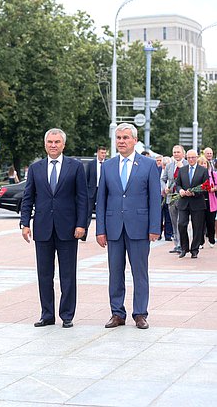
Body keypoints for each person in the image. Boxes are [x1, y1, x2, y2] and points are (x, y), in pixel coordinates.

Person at [20, 128, 88, 329]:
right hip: (42, 229)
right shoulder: (36, 168)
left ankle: (67, 315)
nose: (53, 145)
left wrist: (81, 224)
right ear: (45, 144)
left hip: (68, 229)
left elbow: (82, 198)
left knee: (68, 274)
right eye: (50, 141)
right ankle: (47, 314)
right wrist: (25, 223)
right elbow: (28, 197)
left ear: (63, 145)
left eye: (57, 142)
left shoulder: (75, 167)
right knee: (44, 274)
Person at [96, 123, 161, 330]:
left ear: (134, 140)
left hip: (140, 228)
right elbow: (101, 199)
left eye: (125, 138)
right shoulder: (107, 166)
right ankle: (117, 313)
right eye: (118, 138)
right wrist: (100, 229)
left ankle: (140, 313)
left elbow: (154, 198)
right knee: (115, 273)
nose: (121, 141)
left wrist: (154, 227)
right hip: (114, 227)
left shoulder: (149, 165)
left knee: (140, 272)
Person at [175, 150, 208, 258]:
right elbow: (178, 184)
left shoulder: (203, 170)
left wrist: (194, 192)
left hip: (197, 202)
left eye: (193, 157)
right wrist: (180, 191)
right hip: (184, 202)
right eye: (189, 158)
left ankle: (195, 249)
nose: (191, 160)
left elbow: (205, 186)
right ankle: (184, 248)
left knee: (197, 227)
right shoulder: (182, 170)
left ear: (197, 157)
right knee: (181, 224)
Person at [162, 145, 187, 254]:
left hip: (183, 197)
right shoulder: (169, 166)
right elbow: (163, 179)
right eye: (174, 152)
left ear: (183, 153)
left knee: (181, 222)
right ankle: (177, 244)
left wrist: (181, 168)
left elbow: (188, 178)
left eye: (178, 152)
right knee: (173, 222)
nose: (176, 154)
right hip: (171, 197)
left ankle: (183, 244)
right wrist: (165, 188)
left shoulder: (187, 164)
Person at [83, 146, 107, 241]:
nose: (103, 155)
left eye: (105, 153)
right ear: (98, 153)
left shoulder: (108, 164)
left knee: (103, 213)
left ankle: (104, 233)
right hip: (92, 191)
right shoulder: (91, 164)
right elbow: (86, 178)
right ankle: (84, 233)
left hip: (103, 191)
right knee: (87, 213)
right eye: (102, 153)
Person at [155, 155, 173, 241]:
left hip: (169, 195)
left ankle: (168, 234)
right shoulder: (156, 170)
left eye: (167, 165)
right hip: (159, 196)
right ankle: (158, 234)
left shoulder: (171, 171)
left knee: (168, 216)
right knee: (159, 216)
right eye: (164, 164)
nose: (165, 166)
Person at [202, 148, 216, 247]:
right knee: (200, 222)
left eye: (204, 164)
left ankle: (211, 239)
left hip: (211, 200)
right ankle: (200, 241)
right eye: (201, 164)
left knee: (210, 221)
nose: (203, 165)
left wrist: (213, 189)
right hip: (200, 201)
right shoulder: (197, 175)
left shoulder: (213, 173)